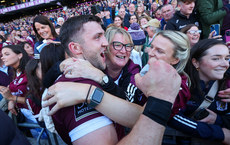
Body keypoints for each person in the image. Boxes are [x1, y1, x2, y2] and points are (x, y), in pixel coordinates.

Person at [49, 15, 118, 145]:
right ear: (75, 48)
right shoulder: (75, 85)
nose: (105, 42)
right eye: (97, 37)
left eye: (103, 35)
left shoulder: (95, 72)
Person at [168, 39, 230, 144]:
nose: (225, 64)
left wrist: (218, 119)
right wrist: (220, 133)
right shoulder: (179, 83)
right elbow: (171, 116)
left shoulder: (227, 85)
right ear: (196, 62)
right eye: (216, 59)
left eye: (227, 58)